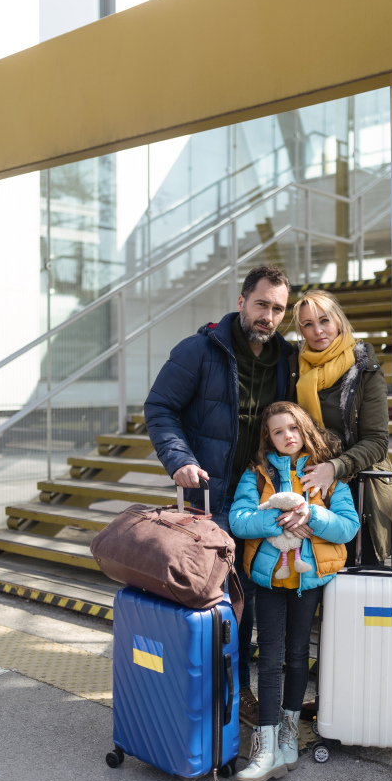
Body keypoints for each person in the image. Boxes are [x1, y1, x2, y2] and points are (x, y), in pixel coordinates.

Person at [144, 265, 296, 725]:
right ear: (241, 302)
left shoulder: (287, 360)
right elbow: (160, 407)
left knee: (245, 597)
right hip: (206, 499)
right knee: (204, 597)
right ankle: (190, 691)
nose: (268, 315)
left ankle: (237, 691)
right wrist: (180, 460)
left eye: (278, 309)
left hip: (258, 499)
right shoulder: (200, 351)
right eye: (262, 304)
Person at [229, 401, 359, 781]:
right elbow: (239, 519)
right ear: (267, 439)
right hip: (271, 581)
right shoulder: (256, 475)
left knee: (298, 654)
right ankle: (265, 743)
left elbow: (348, 527)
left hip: (310, 582)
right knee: (267, 658)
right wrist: (280, 518)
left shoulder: (326, 476)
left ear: (304, 431)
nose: (287, 436)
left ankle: (288, 733)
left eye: (292, 429)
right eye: (277, 431)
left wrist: (312, 516)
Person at [291, 290, 392, 564]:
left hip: (359, 487)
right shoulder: (295, 366)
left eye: (324, 320)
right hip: (306, 487)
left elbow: (378, 441)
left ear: (339, 322)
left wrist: (334, 467)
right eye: (307, 324)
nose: (318, 330)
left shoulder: (364, 368)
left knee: (357, 585)